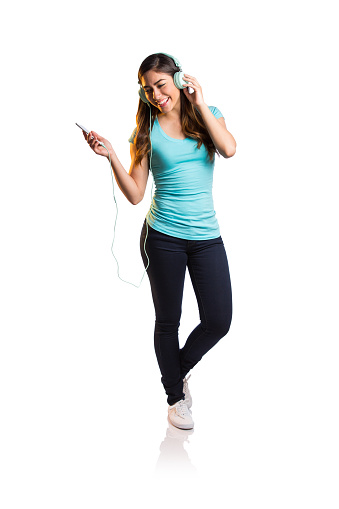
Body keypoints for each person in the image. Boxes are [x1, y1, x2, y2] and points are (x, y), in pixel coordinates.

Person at [83, 52, 236, 430]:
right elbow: (136, 194)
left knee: (219, 319)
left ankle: (175, 370)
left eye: (161, 85)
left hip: (206, 237)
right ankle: (175, 398)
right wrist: (112, 156)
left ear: (179, 79)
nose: (155, 94)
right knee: (168, 321)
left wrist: (200, 103)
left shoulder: (209, 114)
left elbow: (230, 149)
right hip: (162, 237)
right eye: (148, 89)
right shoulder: (146, 131)